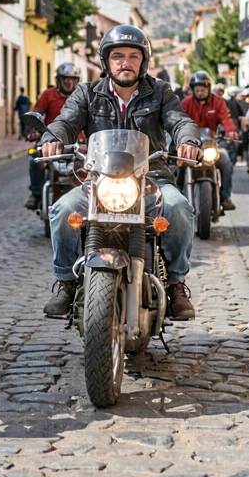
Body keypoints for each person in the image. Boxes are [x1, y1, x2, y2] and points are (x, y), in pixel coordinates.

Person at [37, 25, 200, 321]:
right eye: (118, 56)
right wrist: (53, 137)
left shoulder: (161, 92)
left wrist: (188, 139)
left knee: (179, 208)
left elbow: (180, 121)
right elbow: (66, 121)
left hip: (152, 180)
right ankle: (66, 283)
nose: (125, 63)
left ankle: (177, 284)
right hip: (100, 182)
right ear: (106, 61)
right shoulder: (87, 93)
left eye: (133, 56)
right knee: (62, 210)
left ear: (143, 61)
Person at [24, 63, 80, 210]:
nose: (69, 82)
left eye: (72, 79)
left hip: (78, 144)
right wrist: (33, 128)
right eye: (65, 79)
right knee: (34, 160)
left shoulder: (81, 95)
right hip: (50, 142)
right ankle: (36, 194)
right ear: (58, 80)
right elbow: (36, 112)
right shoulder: (48, 94)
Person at [180, 71, 238, 211]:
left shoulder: (217, 102)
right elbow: (178, 118)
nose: (200, 92)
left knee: (225, 161)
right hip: (190, 145)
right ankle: (179, 196)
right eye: (197, 90)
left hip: (210, 144)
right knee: (178, 165)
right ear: (193, 90)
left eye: (203, 89)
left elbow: (226, 117)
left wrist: (230, 130)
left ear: (208, 88)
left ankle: (225, 197)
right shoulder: (186, 103)